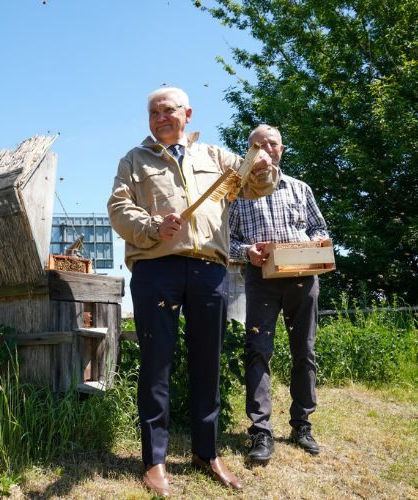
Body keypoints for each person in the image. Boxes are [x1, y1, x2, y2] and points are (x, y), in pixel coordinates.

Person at [108, 88, 279, 496]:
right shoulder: (134, 160)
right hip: (155, 268)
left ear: (187, 113)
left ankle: (208, 452)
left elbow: (255, 187)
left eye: (168, 111)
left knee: (208, 362)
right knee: (156, 365)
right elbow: (118, 209)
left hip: (209, 270)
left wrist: (262, 167)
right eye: (153, 112)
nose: (161, 117)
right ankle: (155, 461)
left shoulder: (214, 157)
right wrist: (152, 227)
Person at [229, 124, 330, 463]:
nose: (265, 149)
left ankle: (302, 424)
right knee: (258, 350)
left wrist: (312, 245)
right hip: (261, 279)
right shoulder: (237, 192)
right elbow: (225, 243)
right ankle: (260, 431)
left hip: (304, 277)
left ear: (281, 149)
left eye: (271, 143)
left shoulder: (300, 188)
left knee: (305, 350)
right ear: (249, 152)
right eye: (257, 144)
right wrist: (248, 253)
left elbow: (320, 229)